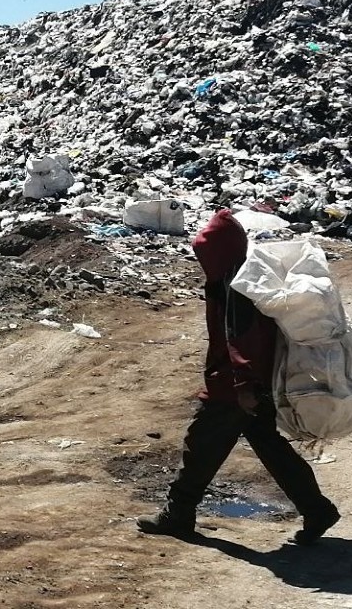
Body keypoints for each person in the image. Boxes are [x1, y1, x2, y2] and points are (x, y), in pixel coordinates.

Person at [137, 209, 340, 545]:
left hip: (234, 384)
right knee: (271, 447)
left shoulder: (235, 285)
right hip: (251, 381)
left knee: (201, 443)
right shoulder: (238, 275)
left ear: (218, 252)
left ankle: (178, 513)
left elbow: (242, 337)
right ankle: (317, 509)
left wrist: (244, 383)